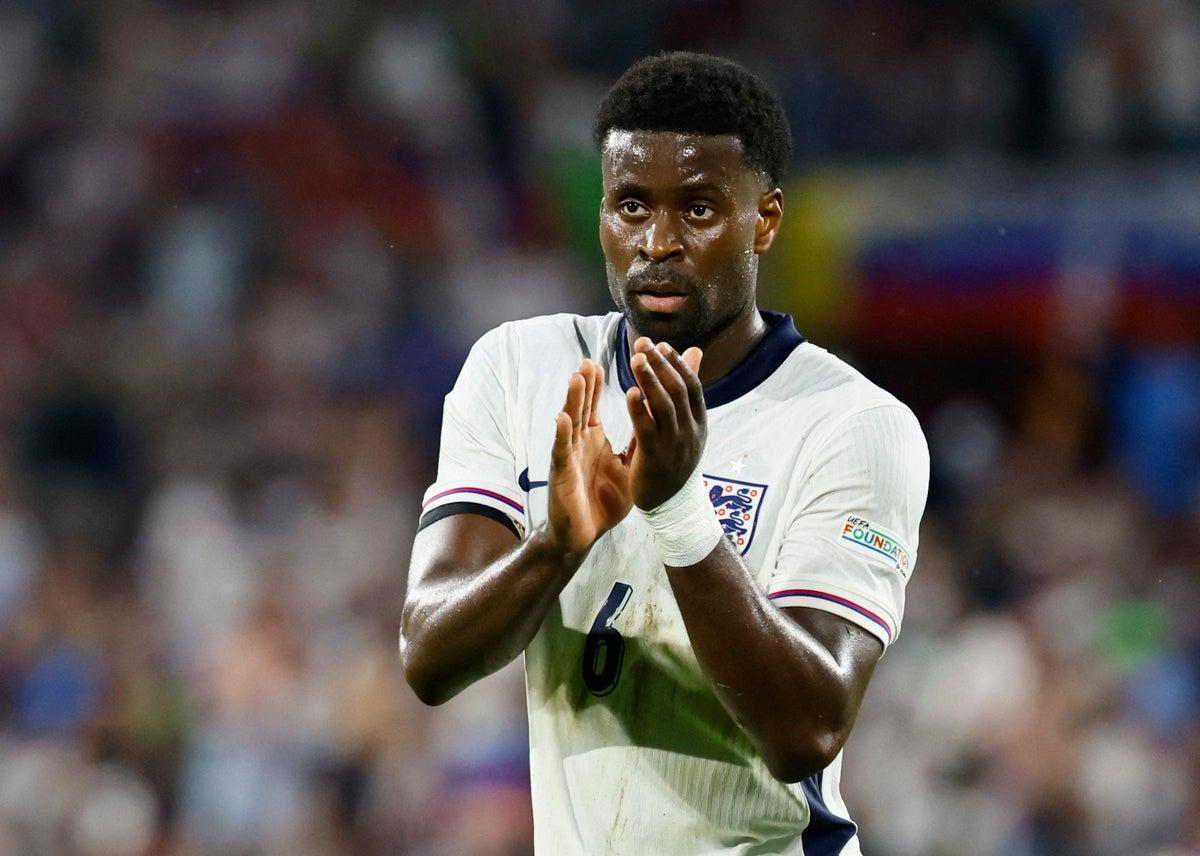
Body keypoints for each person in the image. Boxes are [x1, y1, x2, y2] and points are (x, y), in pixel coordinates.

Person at [401, 51, 929, 855]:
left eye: (700, 209)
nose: (658, 242)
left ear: (767, 219)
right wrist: (556, 543)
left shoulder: (851, 424)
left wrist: (680, 509)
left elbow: (808, 729)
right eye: (631, 206)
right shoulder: (520, 368)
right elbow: (429, 659)